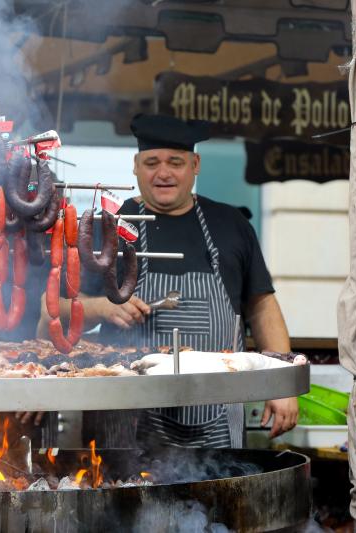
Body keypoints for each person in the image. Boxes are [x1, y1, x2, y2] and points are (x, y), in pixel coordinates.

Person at [38, 113, 298, 449]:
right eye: (151, 162)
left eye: (175, 162)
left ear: (195, 164)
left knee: (219, 497)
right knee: (126, 496)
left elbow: (262, 307)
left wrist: (282, 385)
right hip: (127, 419)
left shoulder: (231, 225)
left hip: (217, 416)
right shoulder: (107, 228)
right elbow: (50, 315)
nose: (163, 173)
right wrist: (101, 307)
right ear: (135, 165)